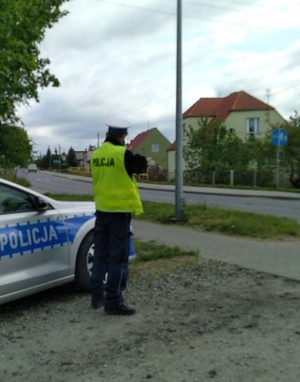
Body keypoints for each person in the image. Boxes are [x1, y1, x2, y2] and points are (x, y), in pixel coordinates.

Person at [90, 120, 147, 315]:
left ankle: (97, 296)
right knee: (118, 258)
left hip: (101, 212)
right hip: (119, 214)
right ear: (122, 137)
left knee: (100, 255)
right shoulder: (123, 154)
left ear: (107, 134)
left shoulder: (96, 155)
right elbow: (142, 165)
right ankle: (114, 301)